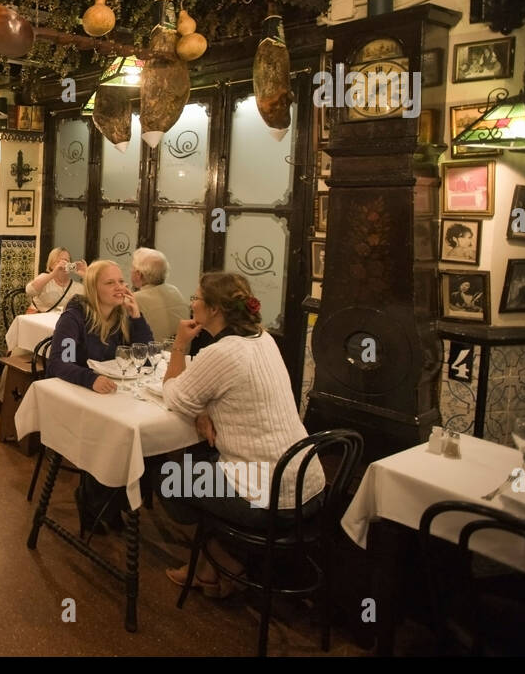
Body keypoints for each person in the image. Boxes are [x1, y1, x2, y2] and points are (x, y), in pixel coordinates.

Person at [158, 273, 326, 597]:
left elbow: (174, 396)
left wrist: (179, 344)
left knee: (165, 473)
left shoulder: (221, 353)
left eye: (196, 298)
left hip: (270, 496)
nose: (191, 303)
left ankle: (223, 560)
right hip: (308, 483)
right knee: (202, 462)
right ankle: (211, 569)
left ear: (215, 309)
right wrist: (202, 411)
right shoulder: (264, 339)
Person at [47, 260, 155, 533]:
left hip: (112, 396)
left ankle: (113, 497)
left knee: (145, 438)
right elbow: (59, 363)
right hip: (77, 399)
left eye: (121, 281)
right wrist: (90, 379)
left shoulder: (122, 315)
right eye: (111, 283)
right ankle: (95, 498)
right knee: (116, 436)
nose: (120, 288)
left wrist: (137, 317)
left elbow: (148, 356)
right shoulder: (75, 316)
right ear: (94, 288)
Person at [0, 247, 86, 416]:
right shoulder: (44, 279)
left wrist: (85, 274)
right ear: (51, 264)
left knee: (70, 361)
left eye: (67, 260)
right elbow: (30, 290)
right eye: (59, 260)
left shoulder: (78, 287)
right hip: (35, 333)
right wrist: (52, 274)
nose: (64, 263)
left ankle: (56, 407)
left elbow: (95, 298)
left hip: (62, 335)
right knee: (16, 357)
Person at [130, 247, 186, 341]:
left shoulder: (134, 299)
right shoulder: (175, 291)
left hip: (152, 354)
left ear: (139, 274)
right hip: (182, 352)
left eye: (132, 268)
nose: (130, 271)